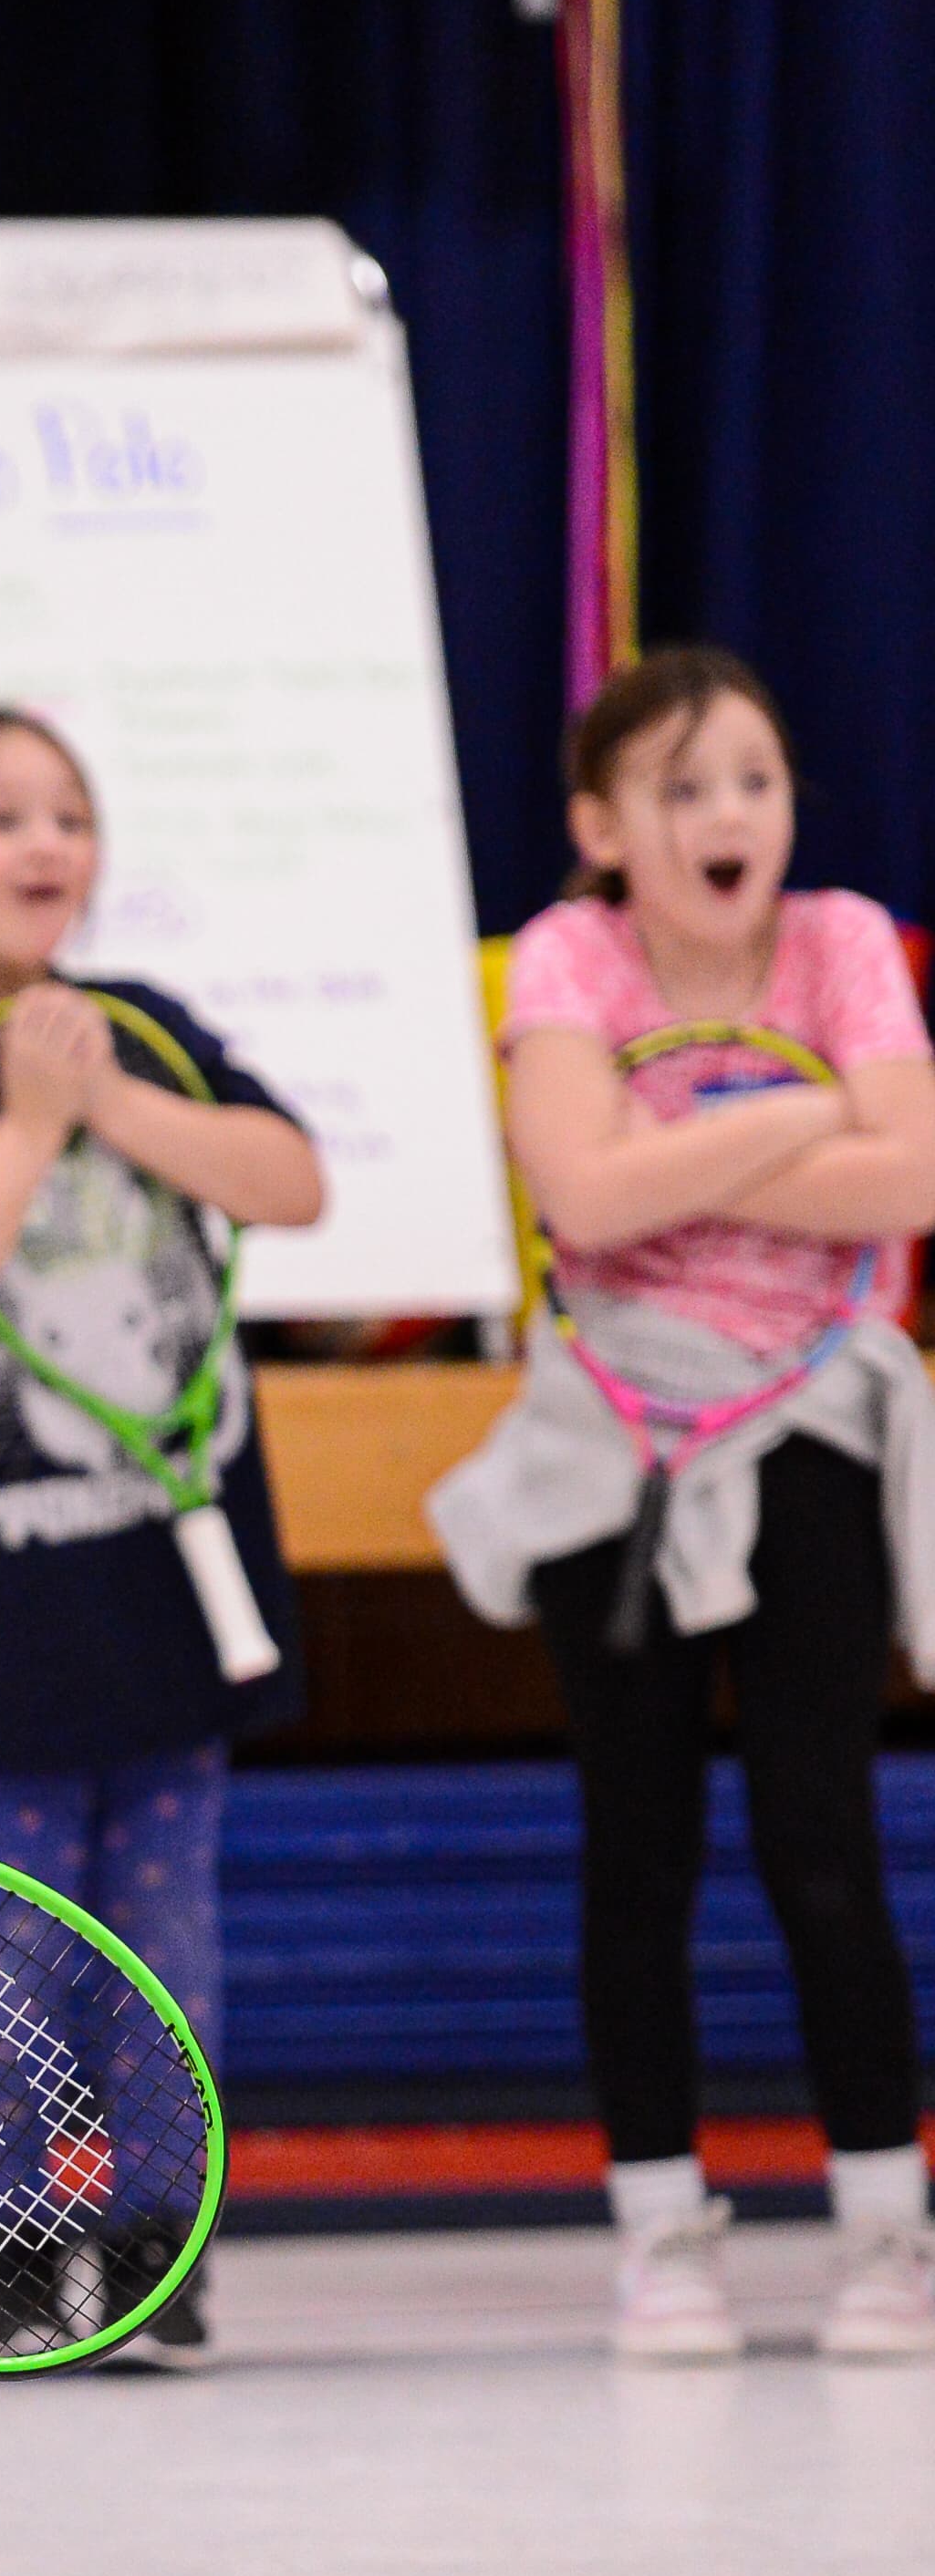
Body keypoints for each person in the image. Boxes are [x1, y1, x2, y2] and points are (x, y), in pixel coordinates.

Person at [430, 644, 935, 2363]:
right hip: (615, 1429)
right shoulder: (571, 954)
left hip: (814, 1425)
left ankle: (883, 2231)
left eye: (755, 780)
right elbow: (579, 1193)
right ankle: (665, 2233)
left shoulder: (845, 940)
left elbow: (917, 1168)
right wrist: (803, 1111)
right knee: (635, 1839)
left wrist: (683, 1150)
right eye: (685, 785)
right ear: (603, 823)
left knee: (822, 1830)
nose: (731, 816)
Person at [0, 705, 326, 2354]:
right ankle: (11, 2243)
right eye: (0, 818)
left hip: (177, 1571)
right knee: (16, 1922)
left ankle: (168, 2243)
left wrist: (106, 1100)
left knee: (169, 1920)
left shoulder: (144, 1031)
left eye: (69, 816)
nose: (45, 847)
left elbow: (287, 1182)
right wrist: (27, 1126)